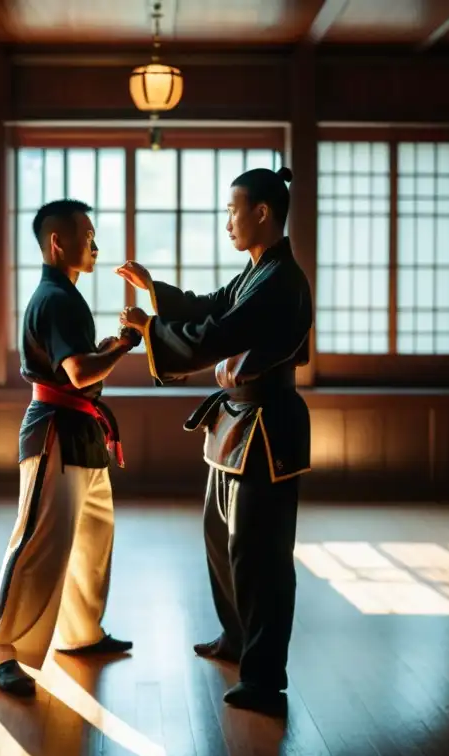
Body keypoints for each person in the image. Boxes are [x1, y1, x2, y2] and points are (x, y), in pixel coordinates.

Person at [116, 166, 311, 716]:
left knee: (261, 555)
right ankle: (236, 636)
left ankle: (265, 676)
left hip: (267, 429)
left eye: (233, 210)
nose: (228, 220)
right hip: (236, 425)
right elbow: (209, 306)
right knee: (220, 536)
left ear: (263, 213)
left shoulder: (280, 280)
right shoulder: (255, 273)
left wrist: (150, 331)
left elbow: (216, 336)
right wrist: (156, 292)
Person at [0, 198, 137, 696]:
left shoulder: (65, 296)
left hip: (82, 430)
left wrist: (110, 348)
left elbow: (84, 365)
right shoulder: (56, 299)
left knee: (92, 539)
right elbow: (80, 372)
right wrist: (125, 345)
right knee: (38, 543)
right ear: (57, 242)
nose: (95, 244)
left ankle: (81, 633)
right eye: (87, 235)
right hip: (54, 431)